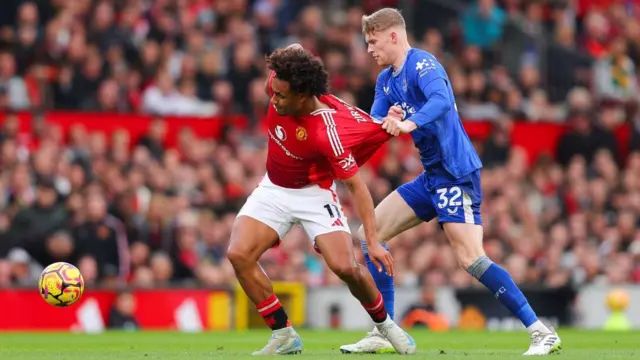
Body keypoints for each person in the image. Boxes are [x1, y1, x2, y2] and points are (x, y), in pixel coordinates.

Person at [339, 8, 561, 356]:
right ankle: (384, 330)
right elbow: (375, 123)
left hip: (456, 173)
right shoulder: (385, 80)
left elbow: (441, 101)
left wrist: (409, 123)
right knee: (371, 235)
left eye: (373, 41)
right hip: (431, 177)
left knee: (471, 258)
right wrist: (383, 122)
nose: (369, 49)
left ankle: (540, 331)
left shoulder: (423, 64)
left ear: (394, 36)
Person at [226, 44, 416, 355]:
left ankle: (385, 326)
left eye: (280, 97)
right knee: (238, 254)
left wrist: (373, 240)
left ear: (302, 96)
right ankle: (284, 334)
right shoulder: (279, 82)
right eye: (273, 92)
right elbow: (296, 50)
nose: (272, 100)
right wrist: (293, 52)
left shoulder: (326, 133)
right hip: (273, 188)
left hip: (314, 195)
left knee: (345, 268)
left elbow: (358, 187)